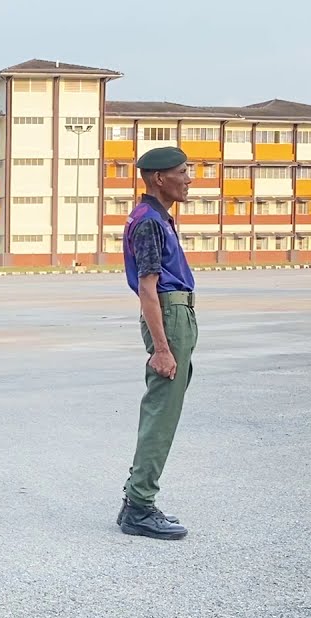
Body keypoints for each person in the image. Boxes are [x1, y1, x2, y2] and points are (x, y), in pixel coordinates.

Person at [116, 146, 197, 541]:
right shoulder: (149, 221)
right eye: (183, 171)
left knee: (161, 412)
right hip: (168, 315)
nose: (190, 178)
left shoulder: (156, 218)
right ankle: (140, 507)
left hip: (175, 314)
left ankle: (136, 499)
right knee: (161, 415)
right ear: (159, 178)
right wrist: (162, 348)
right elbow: (148, 290)